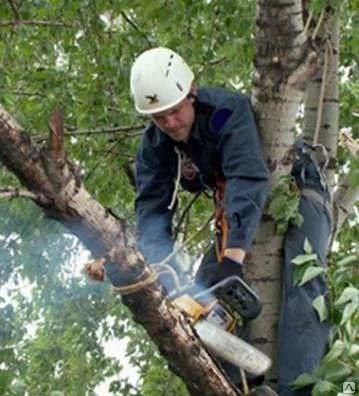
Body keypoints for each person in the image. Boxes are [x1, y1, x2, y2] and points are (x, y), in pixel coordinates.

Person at [131, 47, 269, 292]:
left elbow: (244, 175)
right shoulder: (155, 146)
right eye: (159, 118)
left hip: (289, 192)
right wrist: (157, 271)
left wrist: (232, 258)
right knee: (202, 290)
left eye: (174, 111)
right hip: (236, 209)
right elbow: (152, 209)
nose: (170, 124)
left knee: (299, 301)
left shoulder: (222, 114)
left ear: (191, 92)